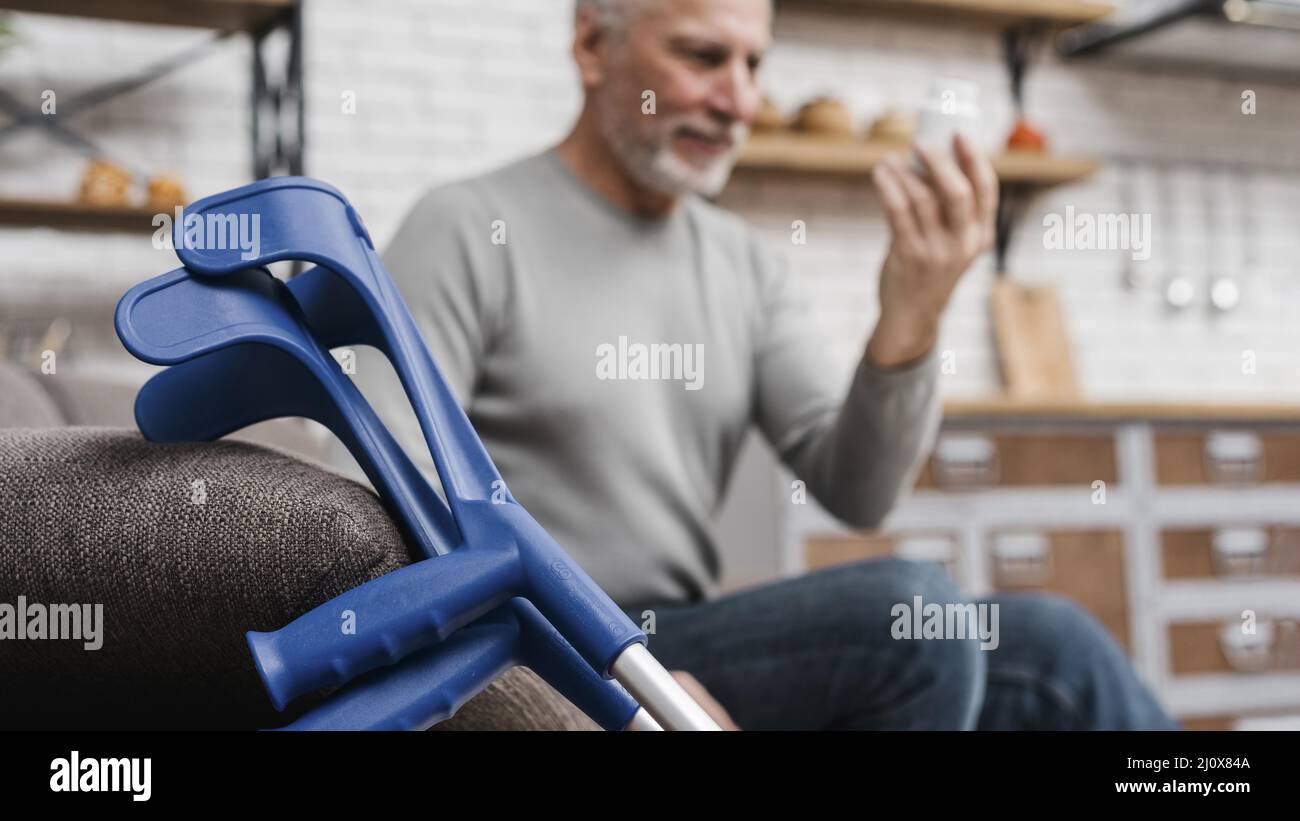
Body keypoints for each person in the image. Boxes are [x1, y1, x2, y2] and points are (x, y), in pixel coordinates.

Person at [335, 0, 1177, 730]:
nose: (739, 98)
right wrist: (601, 664)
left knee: (1050, 643)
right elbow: (381, 508)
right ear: (593, 46)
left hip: (685, 634)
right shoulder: (467, 227)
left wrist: (912, 317)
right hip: (550, 636)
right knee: (913, 618)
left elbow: (857, 488)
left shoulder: (745, 262)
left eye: (753, 63)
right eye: (703, 57)